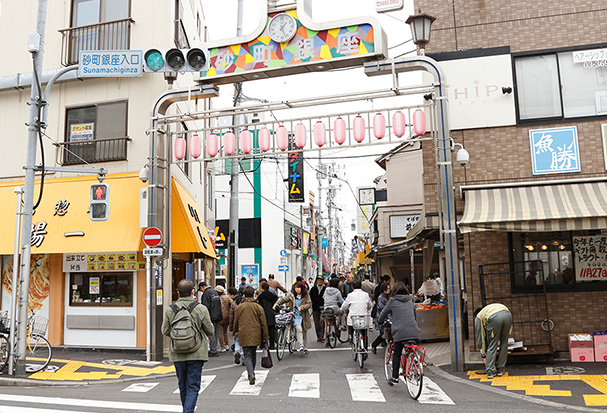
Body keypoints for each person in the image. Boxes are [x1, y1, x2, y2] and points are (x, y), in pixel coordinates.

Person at [161, 279, 214, 413]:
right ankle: (188, 411)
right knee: (193, 387)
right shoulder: (201, 308)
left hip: (177, 353)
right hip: (196, 353)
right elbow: (210, 331)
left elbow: (164, 331)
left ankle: (187, 409)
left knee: (183, 385)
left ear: (178, 292)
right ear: (192, 292)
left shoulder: (170, 309)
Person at [377, 282, 421, 385]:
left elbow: (383, 313)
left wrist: (380, 321)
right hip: (413, 330)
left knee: (397, 353)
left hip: (400, 332)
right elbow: (414, 314)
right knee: (410, 348)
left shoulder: (392, 300)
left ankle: (395, 377)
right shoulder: (410, 299)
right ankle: (414, 364)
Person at [233, 286, 269, 385]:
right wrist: (265, 336)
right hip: (256, 333)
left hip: (244, 333)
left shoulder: (240, 307)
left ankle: (251, 373)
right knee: (253, 353)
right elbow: (263, 323)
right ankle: (252, 370)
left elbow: (235, 321)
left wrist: (234, 331)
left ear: (244, 295)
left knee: (247, 354)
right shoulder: (258, 307)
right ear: (253, 294)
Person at [474, 303, 513, 379]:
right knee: (504, 343)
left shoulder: (478, 317)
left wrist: (483, 355)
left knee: (492, 343)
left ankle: (490, 371)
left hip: (494, 317)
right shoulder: (488, 309)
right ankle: (501, 369)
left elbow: (481, 337)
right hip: (508, 315)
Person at [274, 281, 312, 354]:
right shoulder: (292, 296)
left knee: (304, 331)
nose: (297, 289)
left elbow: (309, 303)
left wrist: (302, 307)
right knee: (299, 328)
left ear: (302, 288)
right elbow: (284, 299)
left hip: (304, 316)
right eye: (295, 288)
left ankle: (305, 347)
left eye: (298, 288)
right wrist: (276, 304)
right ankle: (301, 346)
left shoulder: (306, 295)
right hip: (295, 315)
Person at [341, 278, 373, 348]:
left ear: (352, 286)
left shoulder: (350, 295)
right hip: (363, 318)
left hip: (353, 319)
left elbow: (344, 307)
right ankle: (365, 349)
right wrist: (367, 308)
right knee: (364, 333)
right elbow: (370, 305)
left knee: (350, 323)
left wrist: (344, 309)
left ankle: (350, 336)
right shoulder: (366, 295)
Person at [198, 282, 222, 357]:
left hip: (211, 316)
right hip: (218, 316)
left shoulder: (206, 294)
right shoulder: (215, 292)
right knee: (216, 333)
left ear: (202, 287)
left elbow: (205, 307)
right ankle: (214, 348)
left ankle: (213, 350)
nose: (201, 291)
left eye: (200, 289)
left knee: (211, 333)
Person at [257, 281, 278, 349]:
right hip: (271, 314)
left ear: (262, 288)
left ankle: (263, 343)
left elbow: (260, 307)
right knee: (272, 330)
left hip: (264, 314)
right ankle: (272, 344)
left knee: (263, 329)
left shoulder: (261, 297)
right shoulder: (273, 296)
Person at [371, 282, 391, 354]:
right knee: (384, 333)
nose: (389, 290)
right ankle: (374, 345)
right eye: (388, 288)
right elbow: (384, 310)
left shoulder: (386, 297)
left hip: (385, 319)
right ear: (384, 290)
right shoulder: (381, 298)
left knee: (386, 333)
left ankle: (378, 345)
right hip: (383, 319)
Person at [228, 286, 244, 365]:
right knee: (245, 343)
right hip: (245, 325)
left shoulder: (233, 304)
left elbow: (231, 317)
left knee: (237, 341)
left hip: (236, 325)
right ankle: (244, 359)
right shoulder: (245, 303)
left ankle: (237, 352)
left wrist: (231, 328)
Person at [309, 276, 326, 342]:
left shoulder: (325, 289)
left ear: (323, 281)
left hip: (323, 308)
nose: (319, 281)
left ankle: (322, 335)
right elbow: (310, 298)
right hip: (315, 308)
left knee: (322, 321)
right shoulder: (313, 288)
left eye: (321, 280)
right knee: (316, 323)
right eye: (318, 280)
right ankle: (318, 336)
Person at [216, 285, 232, 352]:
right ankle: (227, 344)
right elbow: (232, 304)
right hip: (227, 316)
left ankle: (223, 346)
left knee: (220, 332)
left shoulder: (217, 298)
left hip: (219, 316)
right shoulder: (227, 297)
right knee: (225, 331)